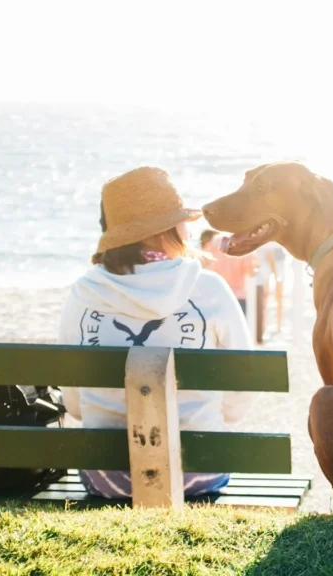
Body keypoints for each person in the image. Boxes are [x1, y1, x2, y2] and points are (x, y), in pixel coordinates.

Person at [57, 166, 253, 499]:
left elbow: (74, 405)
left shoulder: (83, 292)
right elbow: (242, 392)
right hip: (199, 469)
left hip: (106, 475)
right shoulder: (208, 288)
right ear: (168, 229)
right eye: (181, 221)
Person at [203, 228, 257, 315]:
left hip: (217, 296)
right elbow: (251, 272)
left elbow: (207, 267)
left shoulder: (214, 243)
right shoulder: (243, 244)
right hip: (238, 297)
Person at [255, 242, 288, 342]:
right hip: (267, 252)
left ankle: (276, 325)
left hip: (271, 252)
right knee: (267, 295)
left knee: (273, 295)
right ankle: (272, 326)